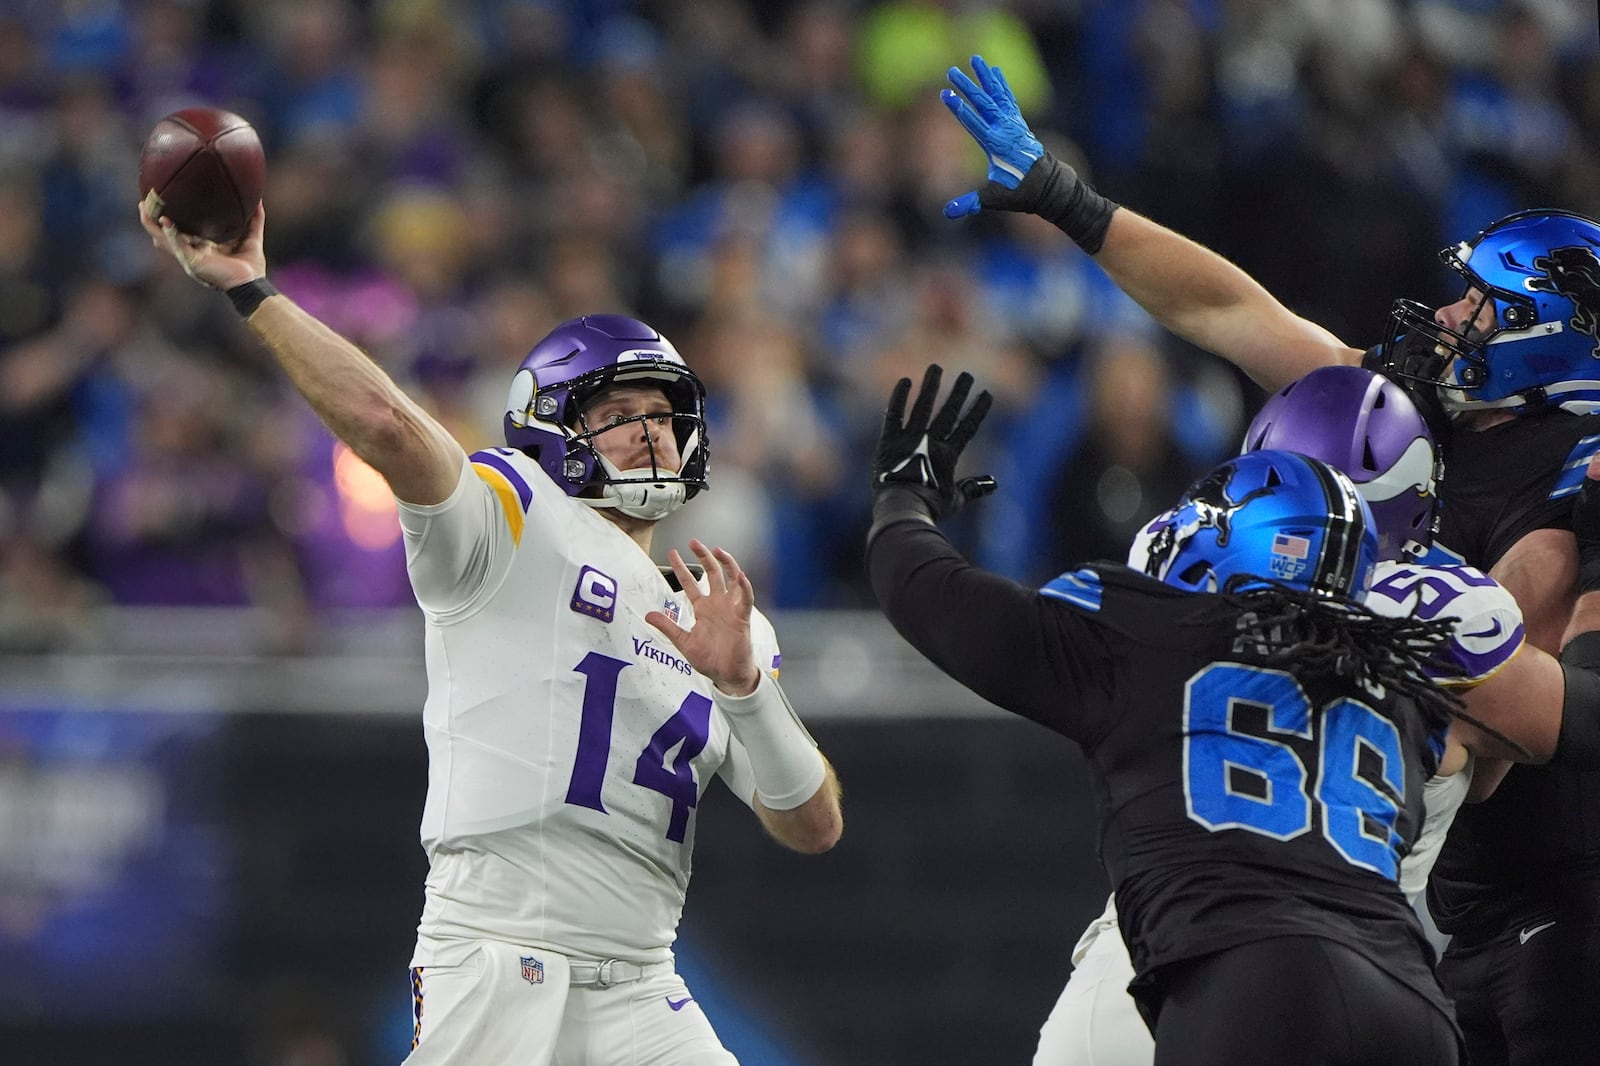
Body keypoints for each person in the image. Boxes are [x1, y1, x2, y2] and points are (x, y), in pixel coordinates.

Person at [940, 54, 1600, 1064]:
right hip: (1451, 903)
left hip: (1561, 893)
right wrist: (1068, 201)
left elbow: (1508, 715)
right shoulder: (1426, 414)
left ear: (1548, 339)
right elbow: (1230, 314)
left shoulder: (1569, 480)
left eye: (1481, 304)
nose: (1451, 316)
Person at [138, 202, 843, 1066]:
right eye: (619, 410)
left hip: (641, 980)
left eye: (661, 412)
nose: (650, 429)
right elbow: (387, 425)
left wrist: (747, 688)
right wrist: (254, 289)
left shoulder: (724, 616)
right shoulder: (511, 518)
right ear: (552, 427)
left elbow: (813, 825)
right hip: (500, 952)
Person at [866, 364, 1600, 1066]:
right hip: (1406, 993)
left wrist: (905, 501)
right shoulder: (1412, 654)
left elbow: (932, 595)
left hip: (1221, 967)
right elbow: (1523, 753)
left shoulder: (1143, 627)